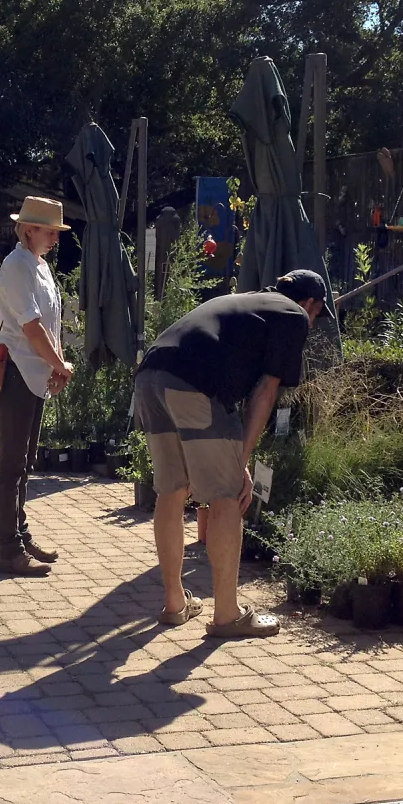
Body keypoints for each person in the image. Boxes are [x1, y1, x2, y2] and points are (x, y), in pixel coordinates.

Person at [134, 269, 331, 637]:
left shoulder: (247, 302)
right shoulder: (293, 316)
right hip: (194, 383)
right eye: (318, 314)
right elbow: (265, 393)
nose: (314, 322)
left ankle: (175, 603)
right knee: (225, 497)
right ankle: (227, 615)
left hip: (150, 376)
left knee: (172, 490)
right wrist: (240, 461)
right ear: (311, 304)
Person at [0, 196, 74, 576]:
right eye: (50, 230)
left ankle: (20, 536)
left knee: (24, 463)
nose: (55, 237)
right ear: (28, 230)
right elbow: (31, 327)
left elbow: (49, 325)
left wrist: (56, 364)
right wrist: (58, 364)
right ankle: (7, 550)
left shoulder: (39, 267)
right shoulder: (15, 267)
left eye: (57, 231)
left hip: (34, 372)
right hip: (17, 372)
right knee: (11, 465)